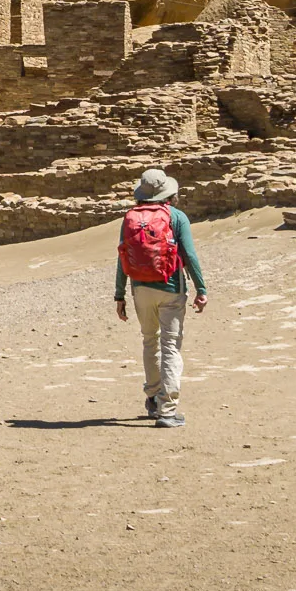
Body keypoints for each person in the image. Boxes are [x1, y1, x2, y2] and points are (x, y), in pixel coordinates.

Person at [113, 167, 208, 427]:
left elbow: (122, 257)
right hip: (170, 288)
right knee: (170, 346)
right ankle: (168, 410)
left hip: (140, 288)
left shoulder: (130, 218)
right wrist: (201, 289)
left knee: (149, 341)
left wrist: (119, 294)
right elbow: (189, 255)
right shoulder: (176, 217)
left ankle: (153, 398)